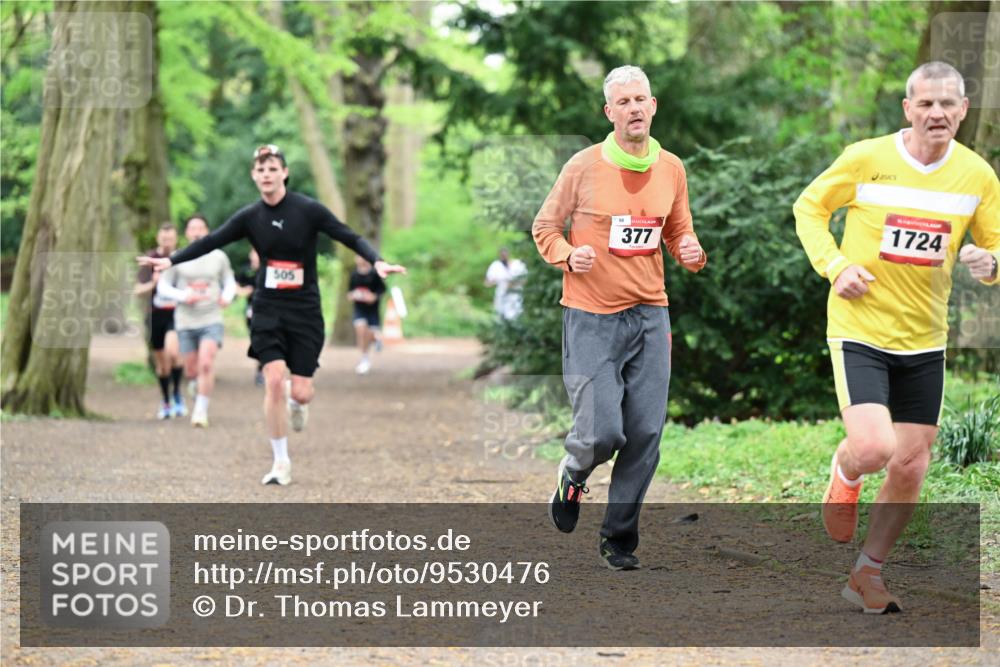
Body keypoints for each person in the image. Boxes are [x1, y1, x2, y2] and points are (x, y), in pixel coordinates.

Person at [794, 61, 999, 614]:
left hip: (925, 338)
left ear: (963, 110)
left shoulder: (977, 176)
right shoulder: (867, 158)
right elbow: (809, 208)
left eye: (948, 104)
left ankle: (867, 573)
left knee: (911, 464)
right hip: (860, 328)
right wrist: (836, 266)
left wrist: (991, 263)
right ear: (908, 109)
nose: (937, 113)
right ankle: (845, 472)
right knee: (874, 449)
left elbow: (996, 245)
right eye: (925, 103)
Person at [138, 144, 405, 485]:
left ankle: (298, 402)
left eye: (272, 169)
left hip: (305, 310)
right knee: (274, 380)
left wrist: (377, 260)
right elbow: (211, 241)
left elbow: (347, 235)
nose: (266, 174)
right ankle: (281, 462)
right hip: (268, 308)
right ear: (254, 176)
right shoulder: (250, 217)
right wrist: (171, 260)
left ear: (284, 173)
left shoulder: (308, 210)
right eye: (261, 170)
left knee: (301, 391)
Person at [532, 65, 707, 570]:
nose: (634, 108)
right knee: (603, 432)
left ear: (653, 107)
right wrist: (569, 255)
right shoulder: (583, 166)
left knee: (646, 433)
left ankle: (619, 538)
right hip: (591, 316)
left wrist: (690, 250)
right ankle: (573, 474)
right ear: (610, 112)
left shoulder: (671, 168)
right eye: (623, 102)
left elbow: (677, 231)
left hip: (650, 314)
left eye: (640, 99)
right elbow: (545, 227)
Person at [156, 214, 237, 428]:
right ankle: (195, 383)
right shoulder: (178, 257)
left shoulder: (219, 256)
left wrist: (227, 296)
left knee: (207, 363)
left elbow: (229, 281)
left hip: (211, 317)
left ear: (208, 231)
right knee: (191, 370)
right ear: (187, 233)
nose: (197, 232)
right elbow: (163, 286)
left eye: (201, 228)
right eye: (193, 228)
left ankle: (200, 411)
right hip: (185, 320)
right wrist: (183, 295)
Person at [134, 223, 185, 419]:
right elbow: (138, 290)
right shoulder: (150, 259)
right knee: (162, 364)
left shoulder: (182, 258)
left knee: (174, 353)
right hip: (155, 315)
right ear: (158, 239)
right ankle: (166, 401)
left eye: (170, 239)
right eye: (164, 239)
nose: (167, 243)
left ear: (176, 240)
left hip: (177, 314)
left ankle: (177, 395)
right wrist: (153, 284)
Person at [348, 255, 386, 375]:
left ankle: (376, 340)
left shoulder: (374, 274)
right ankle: (364, 358)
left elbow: (382, 290)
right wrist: (354, 295)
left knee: (369, 335)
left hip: (372, 311)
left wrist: (373, 297)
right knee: (361, 331)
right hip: (359, 309)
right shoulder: (354, 275)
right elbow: (349, 292)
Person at [236, 248, 264, 386]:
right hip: (251, 311)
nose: (256, 256)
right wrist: (243, 291)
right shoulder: (246, 271)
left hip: (267, 311)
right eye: (254, 253)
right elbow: (235, 286)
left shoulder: (267, 270)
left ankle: (262, 369)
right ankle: (261, 368)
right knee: (257, 340)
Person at [485, 247, 527, 320]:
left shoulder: (518, 264)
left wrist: (513, 283)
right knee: (499, 316)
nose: (504, 256)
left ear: (509, 254)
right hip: (501, 294)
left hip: (515, 295)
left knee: (514, 315)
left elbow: (525, 280)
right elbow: (487, 283)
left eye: (505, 254)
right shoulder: (496, 265)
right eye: (502, 255)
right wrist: (499, 281)